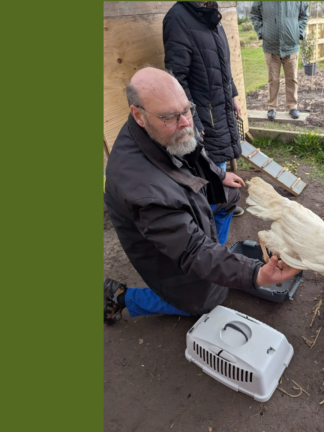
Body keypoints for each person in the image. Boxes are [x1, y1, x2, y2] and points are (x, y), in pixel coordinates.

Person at [103, 67, 301, 324]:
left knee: (227, 194)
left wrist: (218, 176)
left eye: (186, 109)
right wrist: (256, 275)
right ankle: (121, 297)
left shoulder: (168, 126)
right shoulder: (144, 191)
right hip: (158, 242)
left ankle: (216, 258)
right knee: (203, 299)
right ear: (138, 115)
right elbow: (193, 250)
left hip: (175, 202)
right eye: (171, 117)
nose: (185, 122)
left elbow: (192, 148)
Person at [163, 1, 245, 220]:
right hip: (204, 116)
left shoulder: (209, 13)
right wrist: (192, 120)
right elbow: (176, 77)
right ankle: (214, 243)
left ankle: (222, 205)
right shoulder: (178, 18)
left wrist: (232, 95)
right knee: (212, 182)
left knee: (220, 174)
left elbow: (222, 63)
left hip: (220, 108)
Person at [250, 1, 309, 120]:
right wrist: (262, 32)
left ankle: (293, 107)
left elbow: (304, 15)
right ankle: (272, 107)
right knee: (273, 79)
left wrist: (299, 32)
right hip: (271, 46)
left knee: (292, 79)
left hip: (291, 45)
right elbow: (254, 14)